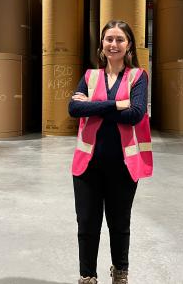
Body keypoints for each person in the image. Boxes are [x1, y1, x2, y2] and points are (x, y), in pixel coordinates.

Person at [68, 20, 153, 284]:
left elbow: (136, 114)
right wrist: (117, 105)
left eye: (120, 39)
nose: (113, 44)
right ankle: (87, 276)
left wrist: (93, 105)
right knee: (87, 225)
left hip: (123, 167)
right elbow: (73, 109)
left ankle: (120, 273)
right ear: (102, 45)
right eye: (109, 39)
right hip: (88, 165)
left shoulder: (138, 77)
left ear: (129, 46)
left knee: (119, 224)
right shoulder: (90, 76)